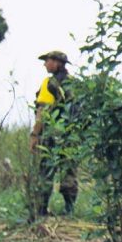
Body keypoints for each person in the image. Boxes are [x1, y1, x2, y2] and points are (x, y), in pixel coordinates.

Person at [30, 50, 78, 217]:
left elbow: (42, 111)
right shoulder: (73, 83)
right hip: (70, 135)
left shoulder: (49, 83)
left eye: (48, 60)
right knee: (69, 171)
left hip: (51, 135)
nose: (45, 64)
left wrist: (34, 135)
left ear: (57, 62)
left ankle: (41, 212)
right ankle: (69, 211)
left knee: (46, 172)